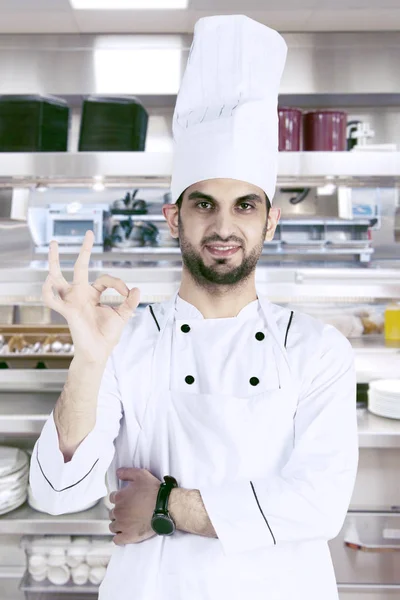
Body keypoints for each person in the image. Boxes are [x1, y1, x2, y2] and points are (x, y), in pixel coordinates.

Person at [29, 14, 359, 600]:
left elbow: (318, 504)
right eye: (204, 204)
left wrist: (165, 505)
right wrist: (88, 360)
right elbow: (58, 492)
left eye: (246, 206)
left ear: (270, 221)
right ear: (174, 217)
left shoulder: (317, 350)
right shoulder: (123, 341)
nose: (224, 226)